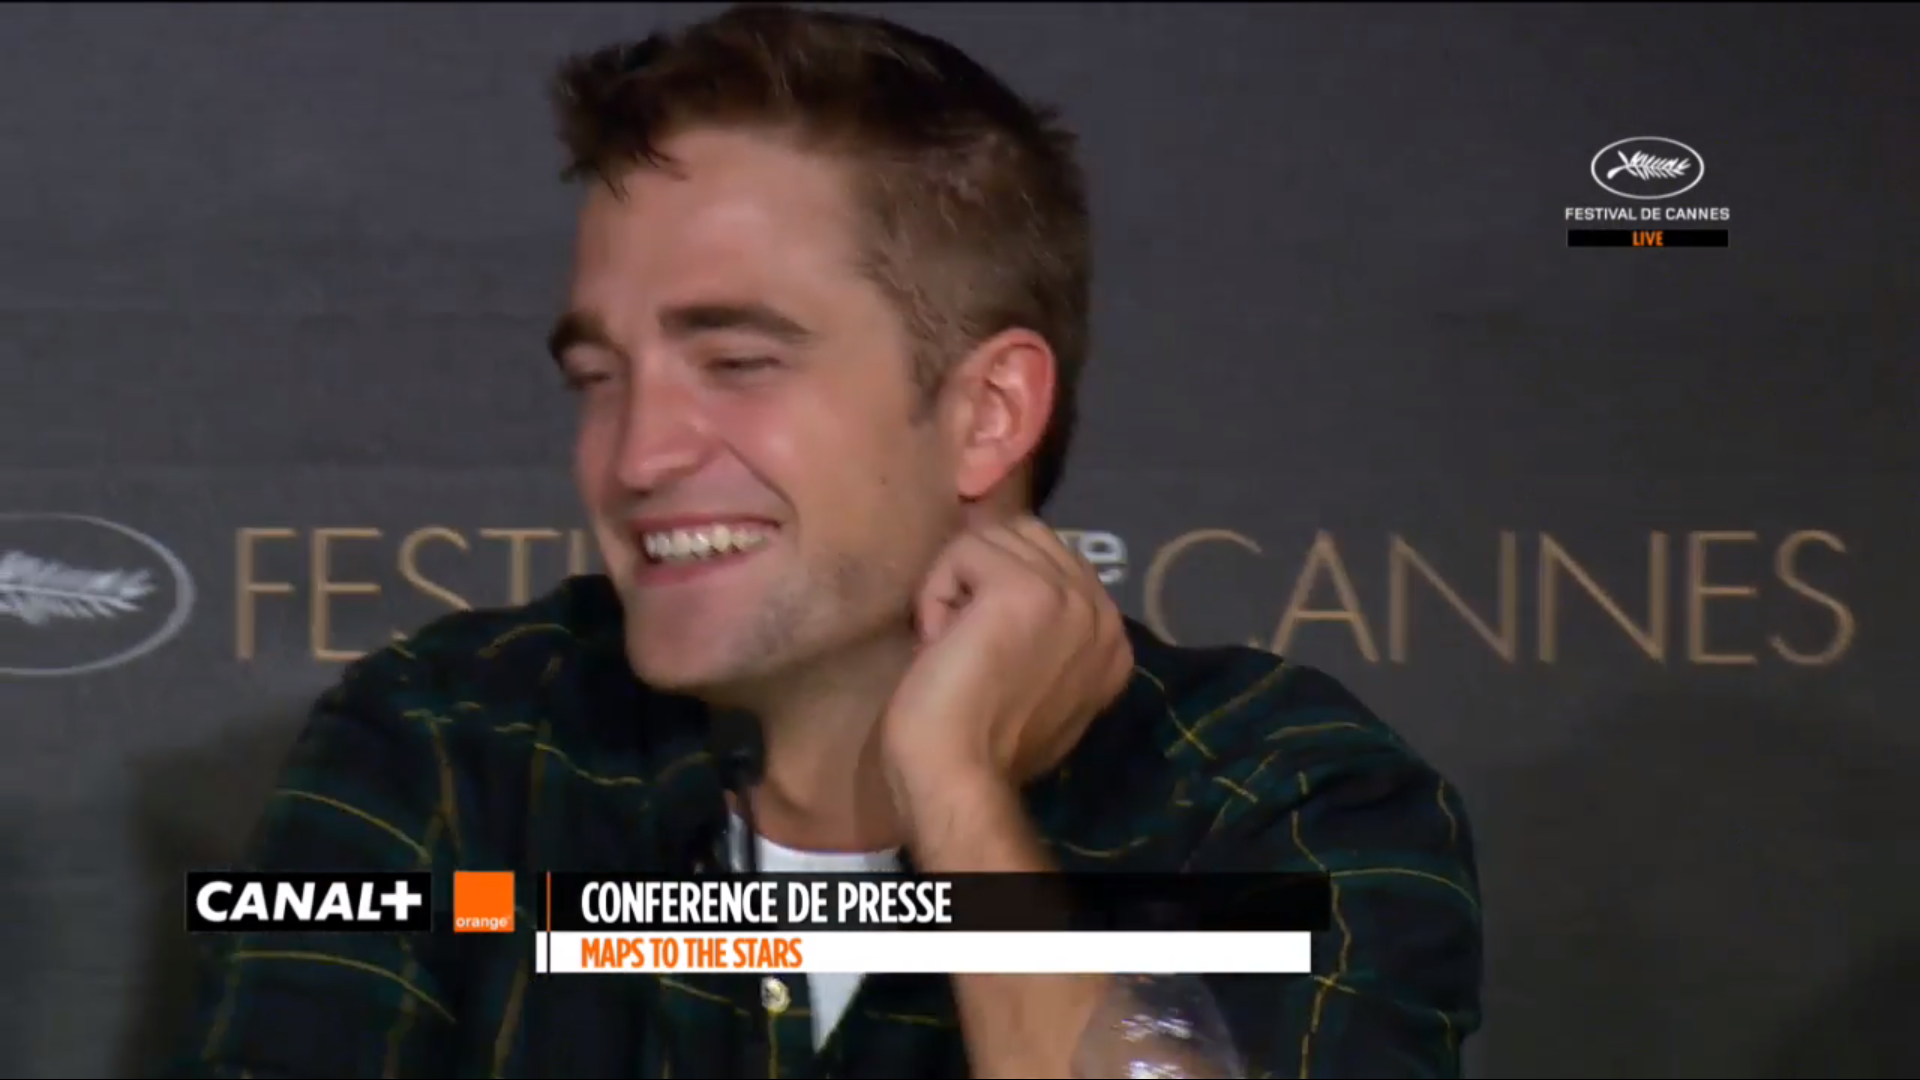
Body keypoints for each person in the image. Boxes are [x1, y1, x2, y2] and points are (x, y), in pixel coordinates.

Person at [170, 5, 1481, 1077]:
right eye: (599, 378)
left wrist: (959, 794)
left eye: (738, 361)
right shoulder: (451, 745)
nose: (636, 456)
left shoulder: (1281, 804)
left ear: (988, 413)